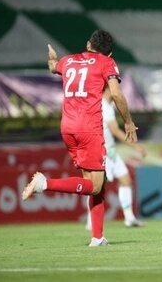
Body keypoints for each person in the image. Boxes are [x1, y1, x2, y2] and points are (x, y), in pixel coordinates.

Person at [22, 30, 138, 246]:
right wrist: (129, 122)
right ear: (109, 53)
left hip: (68, 128)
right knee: (94, 186)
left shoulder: (68, 61)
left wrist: (52, 59)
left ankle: (97, 237)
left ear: (88, 44)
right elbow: (115, 93)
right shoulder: (107, 62)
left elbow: (53, 67)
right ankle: (44, 184)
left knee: (94, 184)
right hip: (89, 129)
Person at [85, 85, 146, 229]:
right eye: (116, 88)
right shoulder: (103, 105)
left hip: (110, 151)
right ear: (107, 89)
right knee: (97, 187)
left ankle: (129, 218)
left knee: (126, 180)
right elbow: (115, 130)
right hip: (102, 151)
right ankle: (90, 220)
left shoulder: (107, 105)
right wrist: (135, 146)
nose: (119, 91)